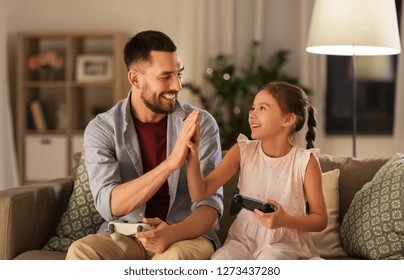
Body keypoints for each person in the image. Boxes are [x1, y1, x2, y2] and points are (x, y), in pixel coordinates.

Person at [65, 30, 223, 260]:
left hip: (184, 237)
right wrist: (170, 164)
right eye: (165, 76)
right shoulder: (103, 129)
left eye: (179, 74)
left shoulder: (201, 123)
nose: (177, 85)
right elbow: (110, 204)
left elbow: (210, 206)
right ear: (135, 79)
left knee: (173, 259)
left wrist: (171, 234)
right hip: (127, 235)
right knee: (82, 251)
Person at [186, 81, 328, 259]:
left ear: (287, 119)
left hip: (284, 244)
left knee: (270, 260)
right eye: (253, 107)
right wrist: (192, 156)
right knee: (220, 261)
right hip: (243, 240)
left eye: (262, 108)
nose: (252, 114)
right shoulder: (242, 151)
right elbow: (200, 193)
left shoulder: (305, 161)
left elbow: (320, 219)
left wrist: (284, 220)